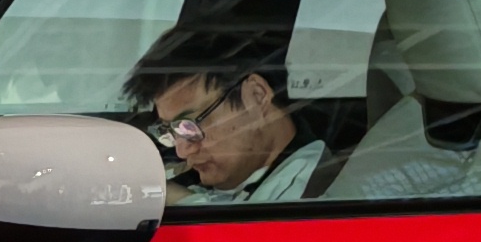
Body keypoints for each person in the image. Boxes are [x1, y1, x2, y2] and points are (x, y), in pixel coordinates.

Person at [129, 49, 337, 206]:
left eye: (190, 126)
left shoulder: (324, 194)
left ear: (256, 96)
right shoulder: (197, 179)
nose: (182, 151)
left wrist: (187, 203)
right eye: (172, 132)